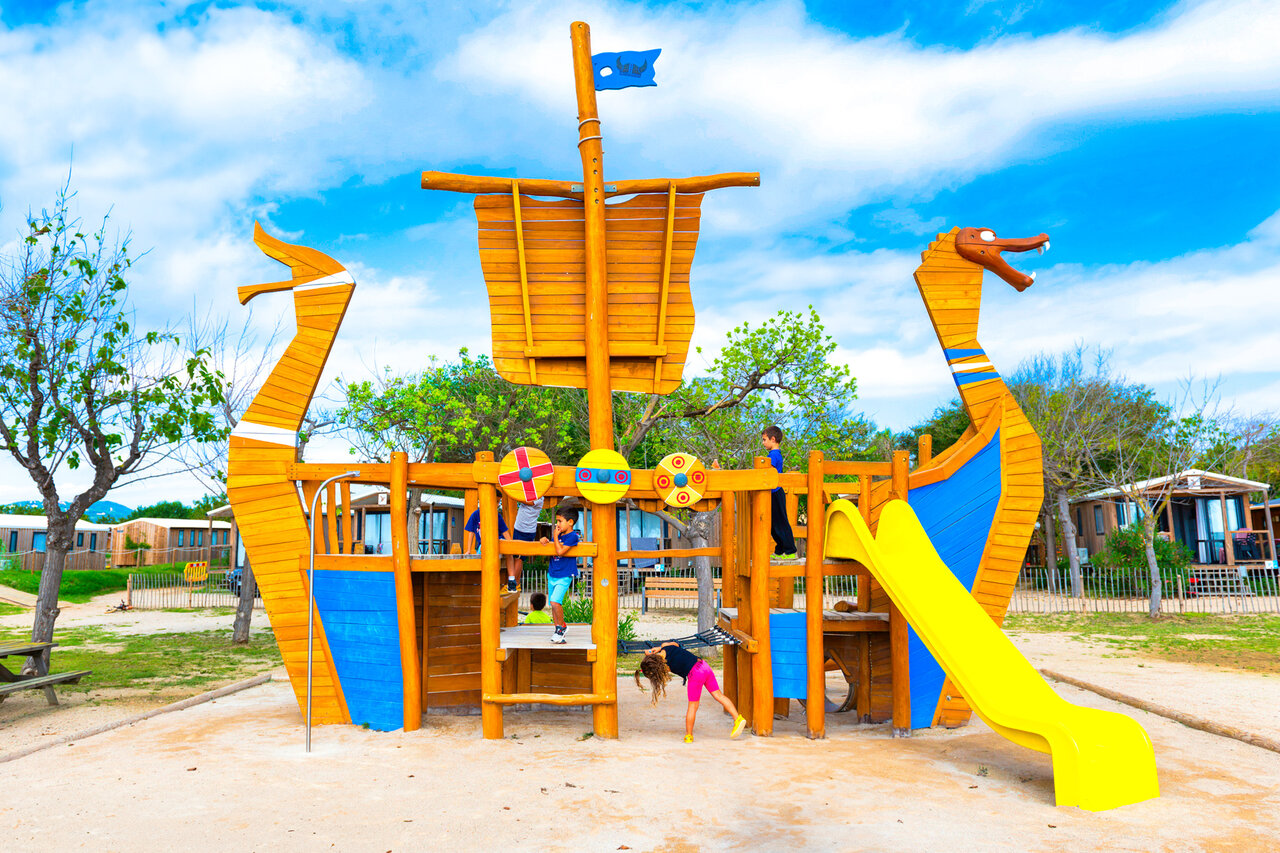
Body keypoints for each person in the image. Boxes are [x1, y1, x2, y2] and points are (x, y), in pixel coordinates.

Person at [634, 642, 747, 742]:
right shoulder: (665, 647)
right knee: (718, 695)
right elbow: (676, 644)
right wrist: (656, 649)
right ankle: (738, 718)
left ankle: (689, 735)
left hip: (695, 674)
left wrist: (651, 659)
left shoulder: (666, 666)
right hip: (704, 665)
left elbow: (659, 665)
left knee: (693, 706)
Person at [540, 506, 580, 644]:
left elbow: (560, 551)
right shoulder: (558, 536)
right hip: (553, 573)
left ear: (570, 522)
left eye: (560, 521)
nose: (557, 524)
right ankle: (558, 630)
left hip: (564, 574)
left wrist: (555, 537)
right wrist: (546, 541)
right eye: (557, 521)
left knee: (555, 601)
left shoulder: (573, 536)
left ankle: (562, 627)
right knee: (553, 603)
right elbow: (553, 547)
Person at [762, 424, 798, 559]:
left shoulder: (774, 455)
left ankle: (790, 551)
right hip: (773, 493)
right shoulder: (772, 454)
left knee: (780, 522)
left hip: (776, 492)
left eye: (764, 440)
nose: (763, 443)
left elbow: (767, 472)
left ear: (773, 439)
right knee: (773, 524)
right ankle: (780, 549)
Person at [463, 503, 516, 585]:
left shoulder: (496, 515)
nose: (497, 504)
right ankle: (480, 579)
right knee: (481, 551)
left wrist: (511, 545)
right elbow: (471, 533)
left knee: (507, 550)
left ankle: (512, 579)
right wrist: (468, 550)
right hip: (484, 545)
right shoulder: (475, 515)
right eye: (496, 501)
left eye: (498, 502)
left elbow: (505, 532)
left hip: (498, 541)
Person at [509, 495, 544, 592]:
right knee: (517, 556)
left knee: (519, 558)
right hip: (519, 528)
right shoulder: (531, 494)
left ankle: (513, 584)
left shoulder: (540, 498)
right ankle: (517, 583)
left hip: (526, 531)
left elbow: (529, 502)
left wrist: (514, 495)